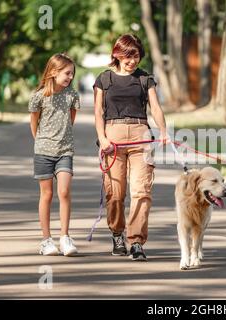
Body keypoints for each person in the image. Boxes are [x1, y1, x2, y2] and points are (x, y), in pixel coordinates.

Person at [93, 34, 169, 261]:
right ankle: (117, 233)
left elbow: (155, 108)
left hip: (140, 135)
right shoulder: (104, 79)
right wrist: (102, 138)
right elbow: (98, 112)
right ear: (116, 54)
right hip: (112, 137)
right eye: (127, 55)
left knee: (141, 191)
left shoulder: (145, 78)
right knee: (115, 193)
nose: (132, 60)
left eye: (135, 55)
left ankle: (136, 241)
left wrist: (163, 131)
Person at [29, 53, 81, 256]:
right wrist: (41, 142)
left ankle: (65, 237)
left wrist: (61, 139)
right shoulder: (39, 96)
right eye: (67, 73)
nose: (70, 77)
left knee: (65, 192)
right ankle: (46, 240)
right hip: (43, 151)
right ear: (53, 72)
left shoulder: (72, 95)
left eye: (72, 74)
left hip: (65, 151)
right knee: (47, 195)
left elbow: (71, 119)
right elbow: (34, 123)